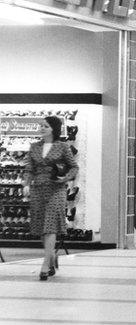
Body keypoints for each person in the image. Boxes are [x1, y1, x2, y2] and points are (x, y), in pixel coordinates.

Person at [23, 116, 78, 281]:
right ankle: (52, 256)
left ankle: (45, 265)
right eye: (41, 126)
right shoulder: (34, 147)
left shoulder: (62, 147)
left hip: (56, 189)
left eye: (45, 126)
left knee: (50, 226)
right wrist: (26, 183)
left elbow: (74, 167)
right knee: (41, 226)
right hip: (38, 189)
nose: (42, 128)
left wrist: (65, 178)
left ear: (54, 129)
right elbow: (29, 168)